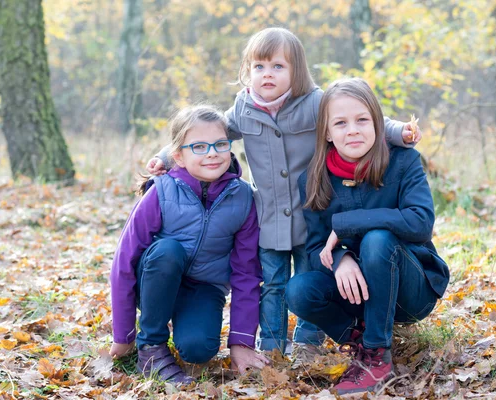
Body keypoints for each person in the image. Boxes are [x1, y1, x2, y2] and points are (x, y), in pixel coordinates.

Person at [146, 28, 422, 357]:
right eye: (259, 66)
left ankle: (308, 342)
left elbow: (359, 114)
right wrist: (165, 156)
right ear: (247, 71)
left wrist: (397, 132)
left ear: (296, 71)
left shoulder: (314, 104)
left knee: (308, 275)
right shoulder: (243, 109)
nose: (267, 74)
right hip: (269, 216)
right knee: (272, 284)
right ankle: (273, 345)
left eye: (278, 66)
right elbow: (205, 130)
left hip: (310, 211)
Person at [286, 78, 449, 395]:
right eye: (341, 123)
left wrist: (348, 223)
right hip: (358, 291)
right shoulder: (314, 178)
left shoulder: (403, 161)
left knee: (377, 239)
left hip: (410, 291)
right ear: (327, 133)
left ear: (377, 122)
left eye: (362, 120)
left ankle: (377, 357)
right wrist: (340, 261)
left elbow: (420, 222)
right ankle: (359, 338)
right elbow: (317, 247)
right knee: (298, 290)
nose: (353, 130)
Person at [110, 105, 269, 384]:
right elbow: (124, 261)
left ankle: (185, 325)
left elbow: (246, 273)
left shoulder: (243, 198)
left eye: (220, 144)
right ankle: (151, 346)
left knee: (199, 350)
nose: (211, 153)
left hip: (202, 286)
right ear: (178, 157)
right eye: (198, 146)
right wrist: (123, 335)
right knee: (169, 250)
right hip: (155, 278)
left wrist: (241, 342)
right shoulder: (161, 191)